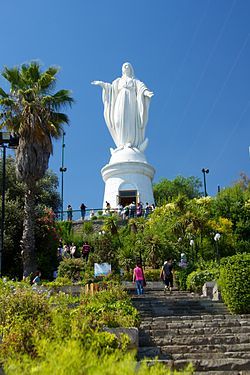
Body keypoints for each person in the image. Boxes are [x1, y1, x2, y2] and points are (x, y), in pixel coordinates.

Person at [92, 62, 154, 152]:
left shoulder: (134, 80)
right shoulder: (118, 81)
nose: (126, 67)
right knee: (118, 120)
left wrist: (147, 93)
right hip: (120, 100)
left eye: (128, 66)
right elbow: (111, 89)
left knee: (130, 120)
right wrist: (102, 84)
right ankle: (121, 142)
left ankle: (129, 142)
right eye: (124, 66)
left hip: (131, 101)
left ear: (131, 69)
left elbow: (141, 88)